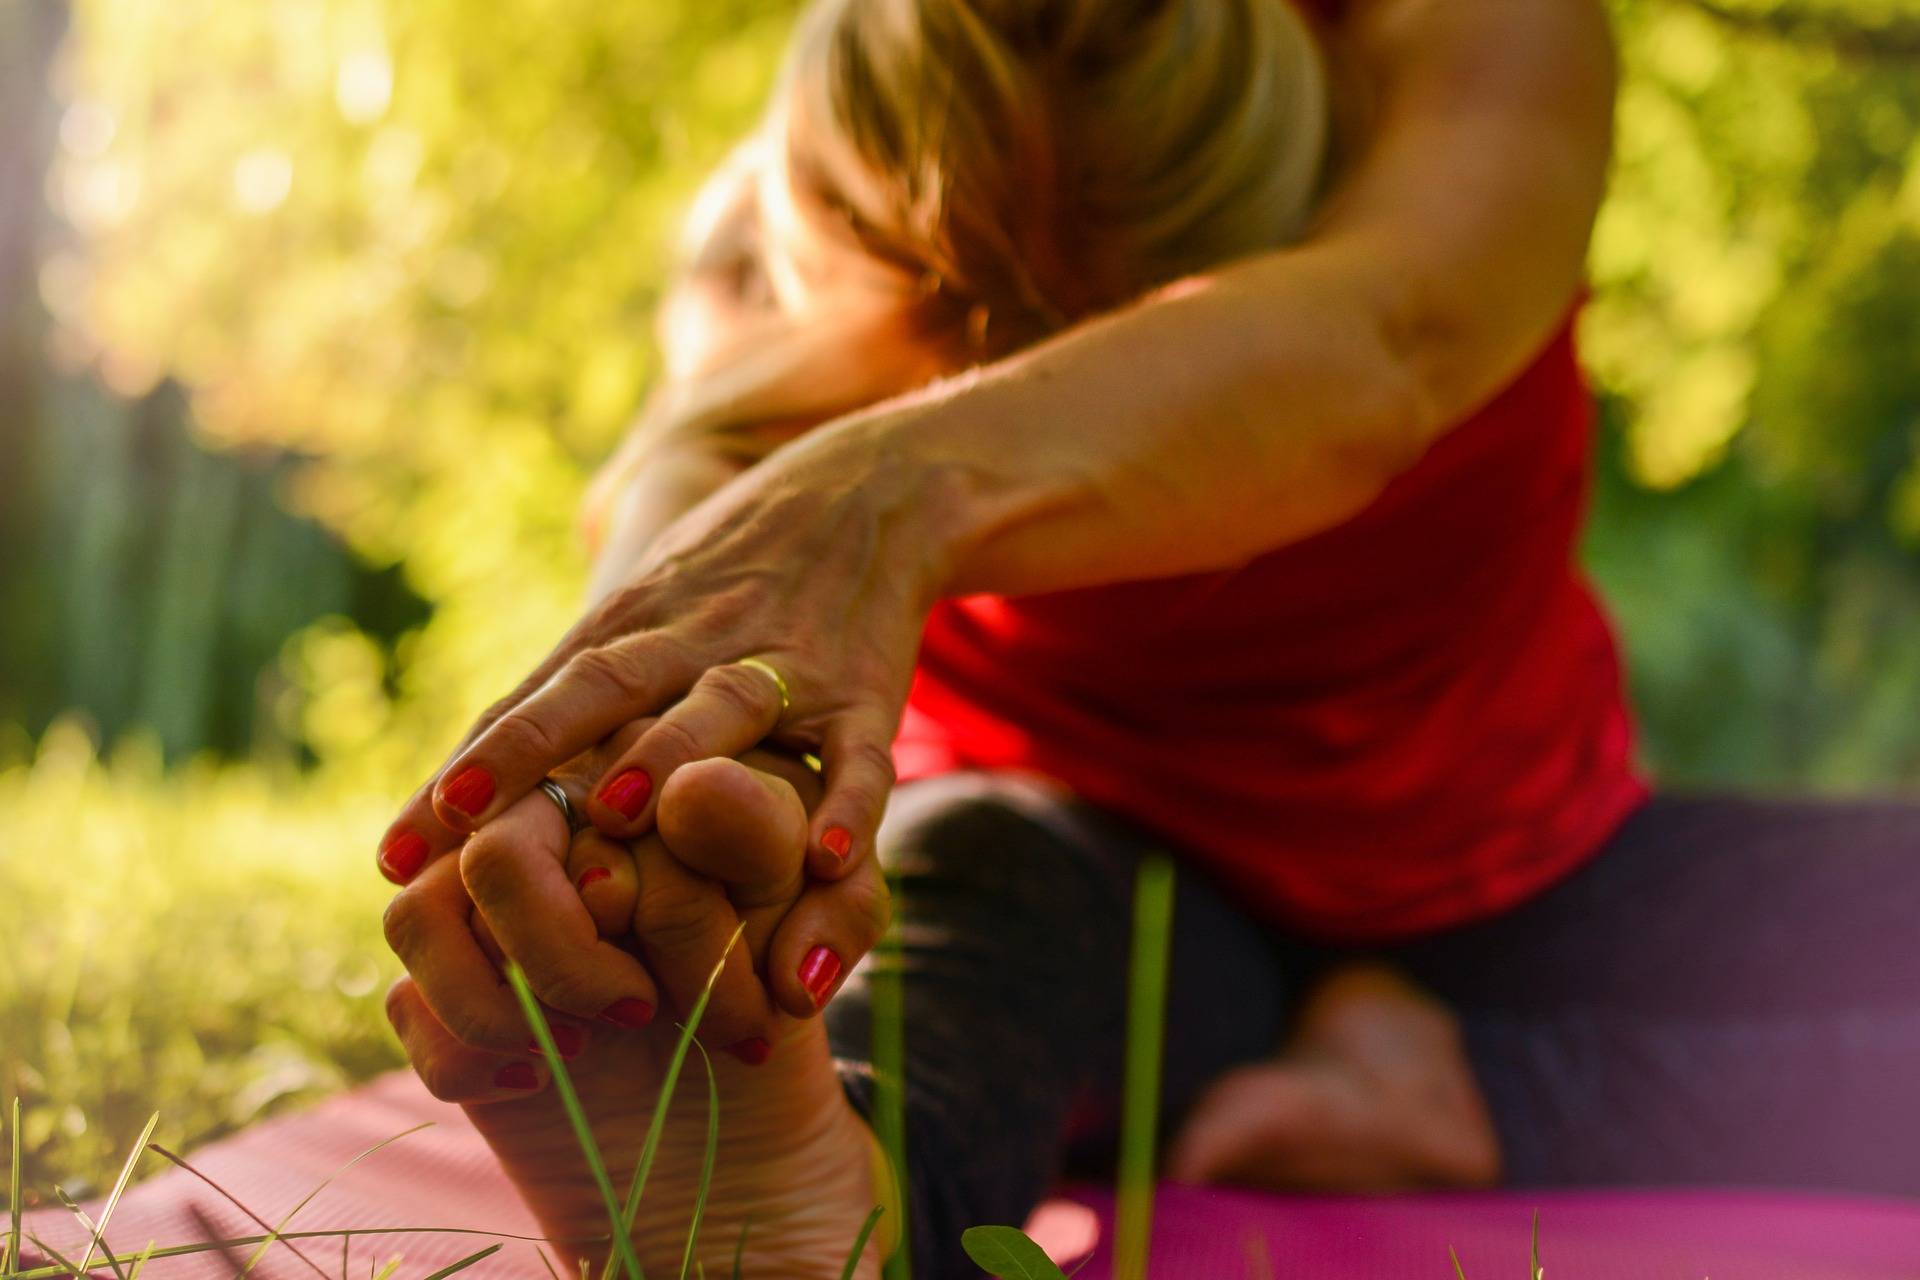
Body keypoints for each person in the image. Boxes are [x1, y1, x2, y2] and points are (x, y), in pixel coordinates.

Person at [374, 0, 1920, 1277]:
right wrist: (611, 813)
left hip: (1531, 870)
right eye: (982, 335)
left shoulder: (1476, 46)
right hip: (1094, 876)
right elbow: (680, 504)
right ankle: (809, 1210)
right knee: (968, 916)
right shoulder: (789, 219)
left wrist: (874, 490)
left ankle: (1460, 1093)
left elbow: (1385, 345)